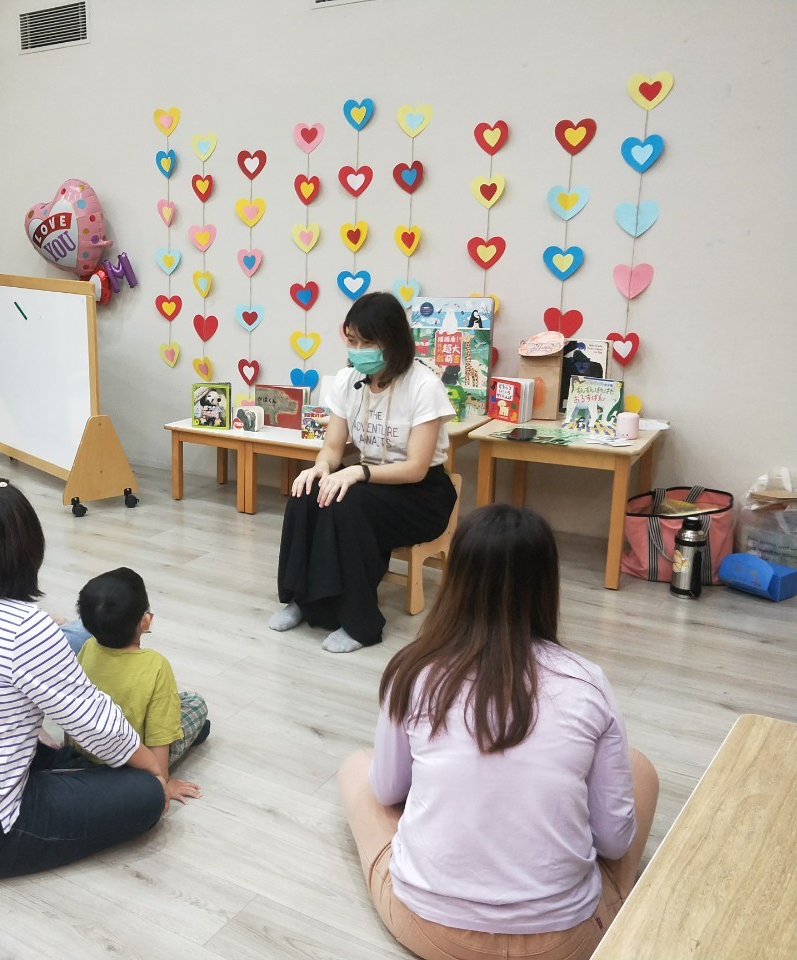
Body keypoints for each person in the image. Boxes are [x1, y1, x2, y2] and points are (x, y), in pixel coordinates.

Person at [338, 504, 660, 960]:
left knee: (357, 768)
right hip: (566, 941)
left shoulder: (413, 672)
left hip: (430, 930)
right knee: (639, 769)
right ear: (547, 584)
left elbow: (389, 790)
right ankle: (616, 915)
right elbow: (613, 840)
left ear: (456, 581)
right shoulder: (587, 681)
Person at [0, 477, 175, 879]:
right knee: (146, 796)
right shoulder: (25, 628)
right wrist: (155, 773)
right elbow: (96, 724)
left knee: (51, 748)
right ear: (26, 549)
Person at [270, 291, 458, 653]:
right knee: (307, 491)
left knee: (347, 503)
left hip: (422, 494)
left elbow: (417, 469)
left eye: (368, 342)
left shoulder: (424, 386)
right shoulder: (347, 380)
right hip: (372, 482)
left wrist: (359, 474)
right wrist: (321, 468)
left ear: (393, 341)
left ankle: (360, 623)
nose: (359, 350)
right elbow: (333, 446)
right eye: (353, 340)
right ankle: (302, 600)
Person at [71, 567, 207, 800]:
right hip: (135, 762)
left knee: (175, 702)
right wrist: (164, 782)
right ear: (145, 620)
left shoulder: (87, 648)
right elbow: (159, 736)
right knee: (195, 703)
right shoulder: (155, 665)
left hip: (88, 752)